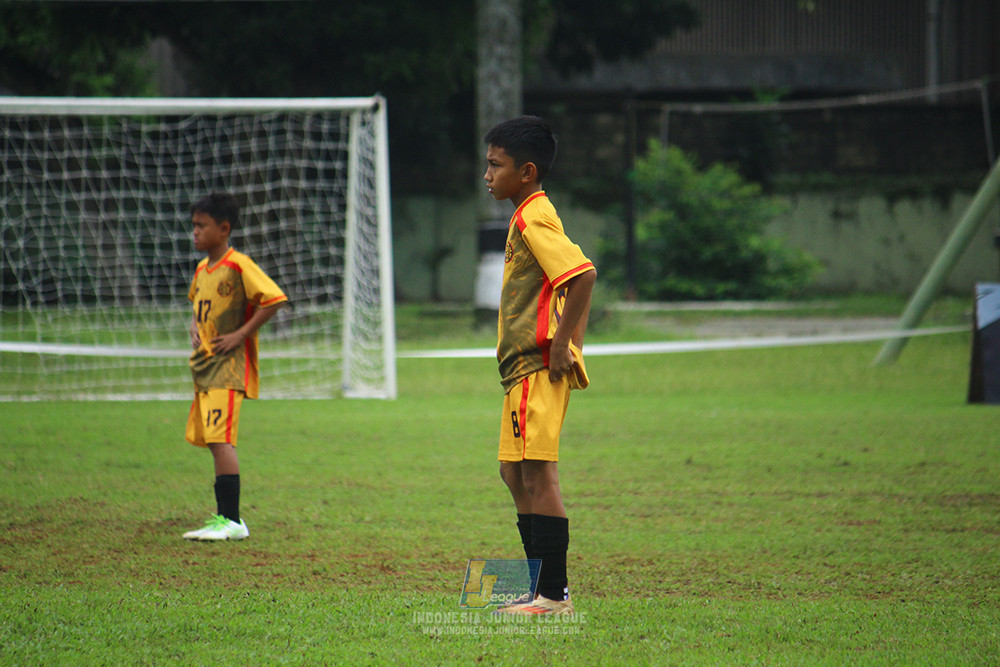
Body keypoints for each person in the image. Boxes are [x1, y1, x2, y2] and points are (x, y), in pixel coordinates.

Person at [483, 116, 597, 615]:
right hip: (520, 371)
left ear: (526, 171)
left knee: (537, 475)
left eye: (495, 165)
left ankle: (554, 596)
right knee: (514, 473)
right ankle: (540, 588)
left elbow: (582, 274)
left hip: (536, 367)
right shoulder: (523, 213)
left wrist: (563, 345)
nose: (487, 174)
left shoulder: (534, 215)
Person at [181, 192, 288, 541]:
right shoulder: (201, 270)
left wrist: (241, 334)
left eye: (202, 226)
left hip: (229, 369)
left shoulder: (239, 264)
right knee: (213, 440)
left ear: (224, 228)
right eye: (193, 225)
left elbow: (273, 299)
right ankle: (226, 519)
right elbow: (198, 306)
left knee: (221, 439)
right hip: (206, 368)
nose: (194, 232)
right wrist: (196, 327)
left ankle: (231, 521)